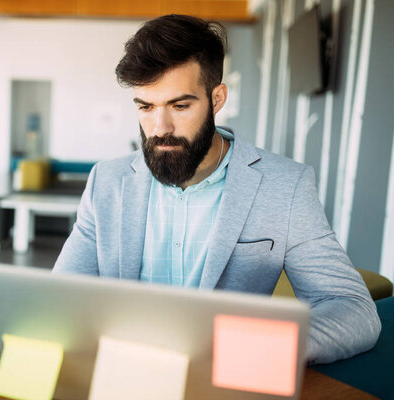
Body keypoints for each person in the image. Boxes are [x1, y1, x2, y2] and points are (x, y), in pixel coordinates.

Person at [52, 14, 380, 365]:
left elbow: (354, 309)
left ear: (217, 98)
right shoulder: (107, 182)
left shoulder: (285, 186)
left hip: (227, 375)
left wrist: (260, 350)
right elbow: (60, 301)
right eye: (146, 107)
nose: (160, 128)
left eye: (180, 106)